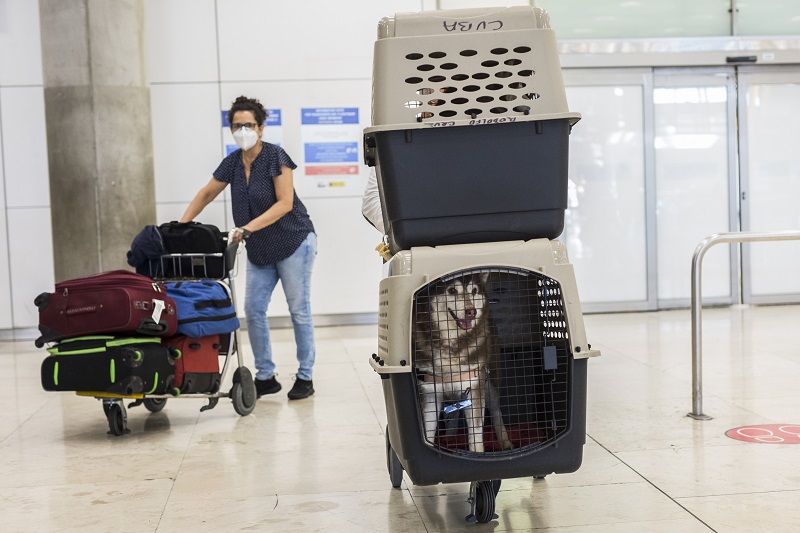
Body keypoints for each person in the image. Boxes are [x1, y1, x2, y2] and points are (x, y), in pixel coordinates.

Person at [181, 96, 317, 400]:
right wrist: (181, 225)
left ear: (261, 127)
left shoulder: (275, 156)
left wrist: (246, 228)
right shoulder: (232, 162)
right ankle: (265, 376)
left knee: (299, 310)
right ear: (231, 129)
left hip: (293, 240)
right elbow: (206, 194)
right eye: (237, 125)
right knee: (253, 311)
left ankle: (305, 377)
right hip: (260, 248)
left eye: (249, 125)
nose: (243, 130)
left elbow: (285, 204)